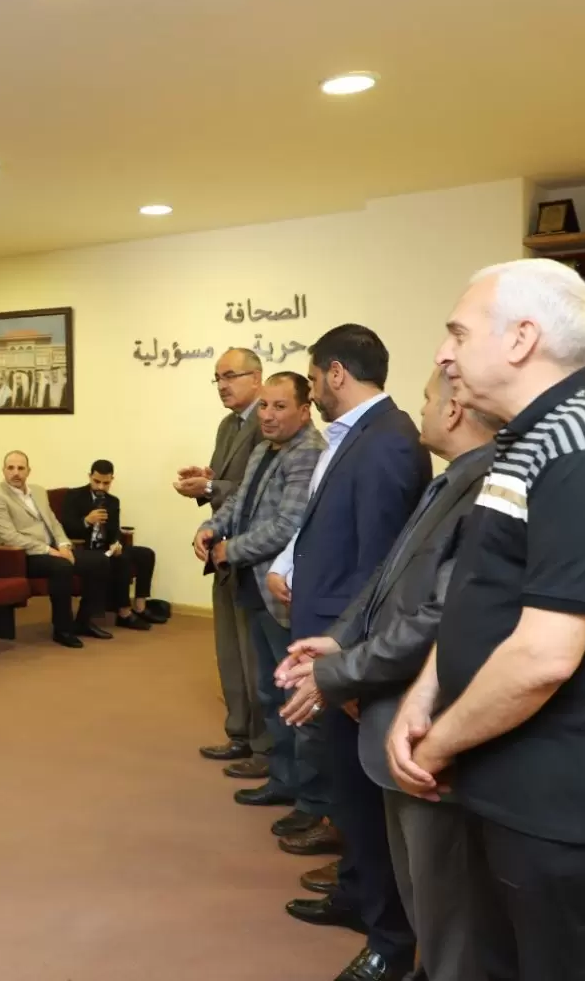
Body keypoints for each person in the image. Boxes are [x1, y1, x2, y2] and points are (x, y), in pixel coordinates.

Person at [390, 259, 585, 981]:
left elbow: (543, 656)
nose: (444, 353)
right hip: (514, 778)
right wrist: (425, 695)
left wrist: (435, 747)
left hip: (566, 800)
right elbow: (484, 592)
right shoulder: (532, 434)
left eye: (459, 332)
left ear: (522, 338)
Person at [275, 367, 499, 981]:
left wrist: (343, 673)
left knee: (442, 899)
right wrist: (340, 640)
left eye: (427, 399)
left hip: (424, 713)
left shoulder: (488, 487)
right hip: (391, 700)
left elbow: (439, 616)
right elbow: (388, 578)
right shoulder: (453, 477)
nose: (419, 409)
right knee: (415, 881)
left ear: (454, 411)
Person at [267, 325, 431, 981]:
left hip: (350, 654)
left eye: (311, 379)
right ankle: (355, 893)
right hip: (332, 642)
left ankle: (388, 936)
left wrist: (354, 667)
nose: (310, 391)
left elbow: (382, 571)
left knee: (364, 801)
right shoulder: (359, 434)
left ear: (336, 372)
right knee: (344, 784)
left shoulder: (387, 441)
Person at [194, 372, 324, 821]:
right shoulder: (265, 448)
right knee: (269, 690)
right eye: (264, 405)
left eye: (279, 406)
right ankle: (281, 779)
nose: (267, 415)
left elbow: (288, 525)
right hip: (252, 584)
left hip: (281, 590)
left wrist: (231, 549)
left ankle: (309, 800)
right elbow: (239, 504)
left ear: (304, 411)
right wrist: (211, 527)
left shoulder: (308, 453)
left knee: (294, 697)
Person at [177, 347, 266, 765]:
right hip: (222, 549)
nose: (222, 386)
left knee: (255, 655)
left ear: (256, 377)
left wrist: (212, 488)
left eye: (230, 376)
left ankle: (264, 745)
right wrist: (206, 480)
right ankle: (239, 732)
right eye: (218, 378)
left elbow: (260, 493)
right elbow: (228, 483)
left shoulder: (269, 423)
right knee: (229, 651)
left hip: (255, 551)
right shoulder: (228, 425)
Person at [0, 450, 112, 648]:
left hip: (54, 550)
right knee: (62, 567)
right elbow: (8, 537)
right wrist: (48, 550)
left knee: (100, 561)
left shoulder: (38, 491)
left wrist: (64, 545)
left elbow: (53, 523)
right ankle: (62, 629)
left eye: (21, 468)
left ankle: (83, 621)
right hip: (23, 556)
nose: (16, 472)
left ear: (28, 471)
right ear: (3, 470)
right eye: (11, 468)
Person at [59, 459, 161, 631]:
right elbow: (65, 527)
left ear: (112, 480)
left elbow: (114, 530)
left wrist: (116, 543)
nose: (101, 487)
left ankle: (140, 607)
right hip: (86, 549)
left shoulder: (113, 501)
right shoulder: (73, 496)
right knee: (123, 559)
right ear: (89, 477)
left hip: (106, 547)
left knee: (146, 554)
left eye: (106, 483)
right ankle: (124, 613)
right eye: (97, 481)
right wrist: (86, 521)